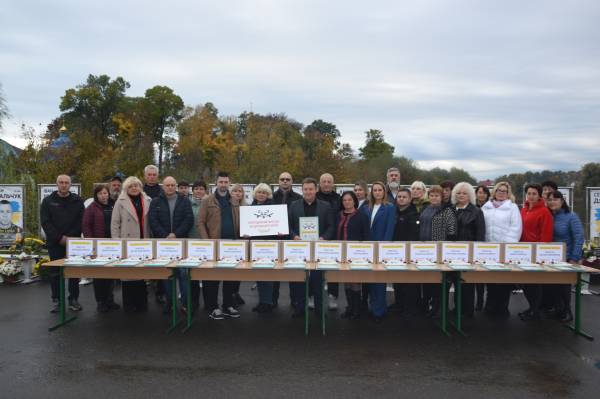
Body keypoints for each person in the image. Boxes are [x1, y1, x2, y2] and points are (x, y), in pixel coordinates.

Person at [288, 177, 335, 318]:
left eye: (311, 189)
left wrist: (323, 238)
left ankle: (320, 310)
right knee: (300, 279)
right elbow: (288, 226)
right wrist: (294, 236)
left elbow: (331, 226)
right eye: (305, 189)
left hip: (318, 248)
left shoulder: (325, 206)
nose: (308, 192)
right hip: (299, 248)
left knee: (317, 280)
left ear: (316, 190)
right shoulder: (294, 205)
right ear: (302, 190)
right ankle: (300, 309)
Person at [198, 172, 241, 320]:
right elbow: (201, 222)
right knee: (213, 278)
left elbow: (243, 219)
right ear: (216, 183)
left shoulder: (235, 200)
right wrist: (206, 241)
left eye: (226, 182)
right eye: (221, 182)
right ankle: (213, 307)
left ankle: (228, 305)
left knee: (230, 276)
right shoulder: (207, 200)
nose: (223, 184)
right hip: (214, 245)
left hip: (232, 245)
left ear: (229, 183)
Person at [148, 176, 194, 314]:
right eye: (167, 185)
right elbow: (153, 221)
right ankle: (170, 303)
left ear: (176, 186)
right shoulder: (155, 201)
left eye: (172, 185)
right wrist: (165, 235)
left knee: (183, 275)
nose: (170, 187)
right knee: (168, 276)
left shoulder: (184, 201)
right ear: (163, 186)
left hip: (181, 243)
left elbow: (189, 219)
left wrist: (175, 234)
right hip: (164, 244)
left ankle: (185, 304)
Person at [40, 175, 85, 313]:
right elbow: (45, 222)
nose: (64, 185)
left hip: (73, 243)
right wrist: (59, 238)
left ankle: (73, 299)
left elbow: (81, 221)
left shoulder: (77, 201)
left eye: (66, 183)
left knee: (74, 272)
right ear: (56, 184)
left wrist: (70, 238)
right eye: (61, 182)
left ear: (70, 185)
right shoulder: (48, 201)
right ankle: (57, 300)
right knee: (55, 273)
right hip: (55, 242)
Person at [481, 181, 522, 317]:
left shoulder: (513, 207)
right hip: (488, 249)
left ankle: (502, 308)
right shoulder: (486, 207)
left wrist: (507, 246)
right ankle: (490, 307)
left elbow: (516, 228)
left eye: (504, 191)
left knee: (504, 280)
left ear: (508, 193)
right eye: (499, 190)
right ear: (494, 191)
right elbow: (482, 227)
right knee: (490, 280)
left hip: (505, 249)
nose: (501, 193)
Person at [111, 176, 152, 312]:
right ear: (126, 188)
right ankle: (129, 304)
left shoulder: (147, 200)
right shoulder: (120, 202)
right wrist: (116, 242)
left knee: (141, 274)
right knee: (128, 274)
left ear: (140, 187)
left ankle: (142, 304)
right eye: (131, 186)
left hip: (143, 241)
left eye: (136, 185)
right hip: (126, 242)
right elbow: (115, 223)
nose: (134, 188)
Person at [360, 181, 396, 322]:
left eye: (380, 190)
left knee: (379, 281)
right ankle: (373, 306)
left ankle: (379, 311)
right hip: (367, 248)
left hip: (381, 248)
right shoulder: (366, 207)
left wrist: (384, 247)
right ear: (371, 192)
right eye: (374, 190)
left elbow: (389, 229)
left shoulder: (389, 207)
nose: (377, 192)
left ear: (384, 192)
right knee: (370, 280)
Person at [419, 185, 457, 318]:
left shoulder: (447, 211)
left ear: (442, 197)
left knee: (439, 283)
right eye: (432, 195)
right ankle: (430, 307)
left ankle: (440, 309)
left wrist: (444, 249)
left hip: (439, 251)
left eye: (437, 195)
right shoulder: (426, 209)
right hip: (424, 251)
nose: (434, 198)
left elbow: (452, 232)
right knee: (428, 281)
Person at [547, 190, 584, 322]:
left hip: (567, 258)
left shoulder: (571, 216)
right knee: (553, 286)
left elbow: (579, 237)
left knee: (564, 286)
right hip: (551, 258)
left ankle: (567, 311)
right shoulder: (549, 216)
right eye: (550, 199)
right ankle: (558, 309)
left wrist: (574, 257)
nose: (552, 202)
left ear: (562, 201)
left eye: (555, 199)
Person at [518, 183, 553, 321]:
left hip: (536, 253)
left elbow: (546, 235)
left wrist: (540, 253)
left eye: (534, 194)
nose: (531, 196)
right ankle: (532, 308)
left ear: (539, 196)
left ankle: (535, 311)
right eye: (529, 193)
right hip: (523, 252)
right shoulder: (524, 209)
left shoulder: (544, 211)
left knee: (534, 283)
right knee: (526, 283)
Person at [82, 184, 120, 313]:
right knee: (99, 276)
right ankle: (101, 301)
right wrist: (91, 244)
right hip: (98, 247)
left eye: (105, 193)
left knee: (111, 274)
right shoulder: (91, 208)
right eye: (100, 193)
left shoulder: (113, 205)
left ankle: (110, 299)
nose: (103, 196)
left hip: (112, 246)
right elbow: (86, 226)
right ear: (96, 195)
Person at [451, 182, 486, 317]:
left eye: (464, 193)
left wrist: (477, 254)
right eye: (458, 193)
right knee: (455, 281)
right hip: (451, 253)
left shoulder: (476, 211)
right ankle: (457, 308)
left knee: (467, 283)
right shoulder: (450, 209)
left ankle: (467, 311)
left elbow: (480, 234)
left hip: (468, 253)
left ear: (470, 195)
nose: (461, 195)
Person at [336, 191, 370, 319]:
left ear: (354, 201)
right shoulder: (338, 215)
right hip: (341, 254)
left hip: (357, 254)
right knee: (346, 282)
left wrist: (365, 253)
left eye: (349, 200)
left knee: (355, 282)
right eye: (344, 200)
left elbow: (367, 236)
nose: (347, 202)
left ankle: (357, 309)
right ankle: (349, 307)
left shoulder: (362, 216)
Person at [272, 172, 302, 308]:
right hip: (274, 239)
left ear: (292, 181)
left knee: (294, 271)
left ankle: (295, 301)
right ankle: (272, 301)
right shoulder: (271, 197)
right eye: (282, 179)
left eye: (287, 179)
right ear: (278, 181)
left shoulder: (298, 198)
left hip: (293, 239)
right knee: (274, 272)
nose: (285, 181)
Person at [249, 183, 279, 313]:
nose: (261, 195)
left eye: (264, 193)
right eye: (259, 192)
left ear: (268, 195)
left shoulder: (274, 208)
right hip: (255, 245)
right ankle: (262, 301)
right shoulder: (251, 208)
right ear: (255, 194)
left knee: (268, 274)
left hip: (269, 245)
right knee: (259, 275)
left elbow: (278, 225)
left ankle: (268, 302)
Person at [390, 188, 420, 315]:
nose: (401, 199)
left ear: (410, 199)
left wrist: (408, 252)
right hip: (394, 252)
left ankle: (409, 307)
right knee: (397, 280)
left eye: (404, 197)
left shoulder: (414, 214)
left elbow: (414, 235)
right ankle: (398, 303)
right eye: (399, 197)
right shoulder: (393, 212)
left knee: (408, 281)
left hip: (408, 252)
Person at [317, 173, 341, 309]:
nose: (326, 184)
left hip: (334, 238)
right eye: (324, 181)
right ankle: (314, 295)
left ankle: (333, 296)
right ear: (320, 184)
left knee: (333, 269)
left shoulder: (338, 199)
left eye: (329, 181)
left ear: (333, 184)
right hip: (317, 238)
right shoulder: (315, 197)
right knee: (315, 269)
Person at [142, 164, 164, 304]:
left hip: (159, 230)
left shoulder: (162, 191)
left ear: (157, 176)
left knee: (160, 262)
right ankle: (143, 289)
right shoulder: (139, 190)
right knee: (144, 260)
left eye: (154, 174)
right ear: (145, 176)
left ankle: (160, 291)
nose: (151, 177)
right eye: (149, 174)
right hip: (143, 230)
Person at [187, 180, 207, 311]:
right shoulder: (187, 204)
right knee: (192, 274)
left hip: (205, 242)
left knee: (206, 274)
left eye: (201, 188)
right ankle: (193, 302)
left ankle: (208, 302)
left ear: (205, 191)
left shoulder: (209, 203)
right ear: (192, 191)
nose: (199, 191)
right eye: (196, 189)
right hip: (191, 241)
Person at [229, 183, 247, 306]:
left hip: (243, 241)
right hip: (231, 241)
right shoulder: (228, 206)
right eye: (235, 191)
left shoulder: (247, 207)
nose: (238, 193)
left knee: (240, 270)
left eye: (240, 191)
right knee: (231, 270)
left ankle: (236, 292)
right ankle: (231, 294)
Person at [473, 184, 491, 310]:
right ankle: (477, 301)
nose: (481, 194)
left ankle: (481, 300)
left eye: (484, 192)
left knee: (483, 275)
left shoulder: (491, 207)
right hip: (473, 242)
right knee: (473, 275)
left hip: (487, 243)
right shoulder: (472, 207)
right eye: (479, 192)